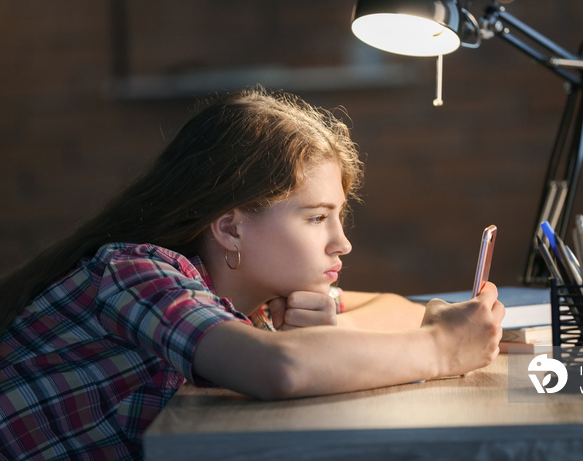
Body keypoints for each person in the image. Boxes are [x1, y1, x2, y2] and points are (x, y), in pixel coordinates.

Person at [0, 87, 504, 460]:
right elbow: (278, 371)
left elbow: (391, 305)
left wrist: (333, 335)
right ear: (230, 229)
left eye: (339, 216)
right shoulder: (137, 273)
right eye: (315, 218)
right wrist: (441, 348)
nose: (342, 241)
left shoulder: (255, 300)